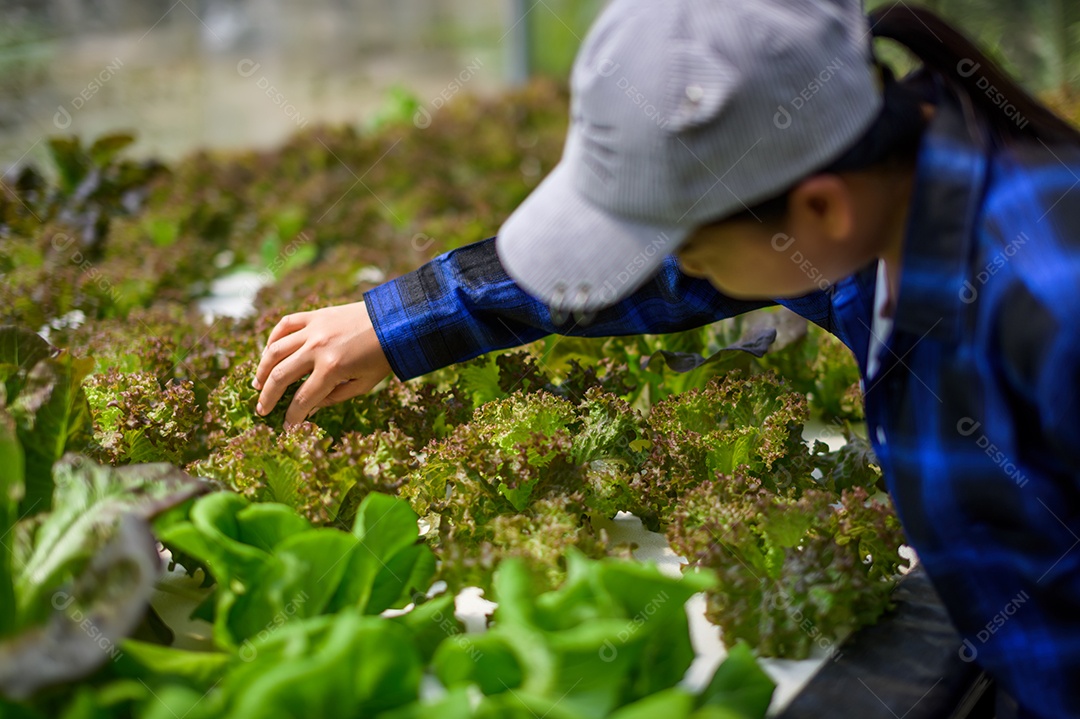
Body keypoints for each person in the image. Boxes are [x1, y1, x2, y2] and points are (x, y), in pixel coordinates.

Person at [252, 1, 1080, 716]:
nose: (690, 278)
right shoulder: (873, 208)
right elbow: (641, 275)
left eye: (700, 253)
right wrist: (397, 323)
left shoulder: (1050, 300)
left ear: (816, 208)